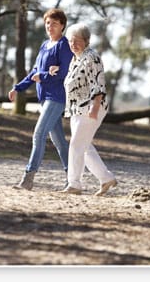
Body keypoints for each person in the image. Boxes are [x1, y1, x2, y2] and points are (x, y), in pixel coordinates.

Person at [7, 8, 73, 190]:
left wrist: (44, 76)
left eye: (54, 23)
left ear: (62, 26)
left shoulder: (64, 45)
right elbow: (34, 72)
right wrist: (17, 88)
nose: (49, 26)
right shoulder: (45, 45)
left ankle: (28, 178)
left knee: (38, 134)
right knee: (59, 141)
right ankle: (73, 180)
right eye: (47, 23)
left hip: (57, 97)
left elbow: (64, 73)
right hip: (44, 98)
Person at [57, 23, 117, 196]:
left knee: (76, 145)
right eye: (70, 41)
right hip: (77, 109)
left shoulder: (92, 57)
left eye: (77, 41)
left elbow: (98, 84)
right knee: (85, 146)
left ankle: (74, 184)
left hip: (90, 107)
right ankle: (106, 179)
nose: (73, 44)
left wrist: (95, 107)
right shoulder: (76, 58)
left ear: (86, 41)